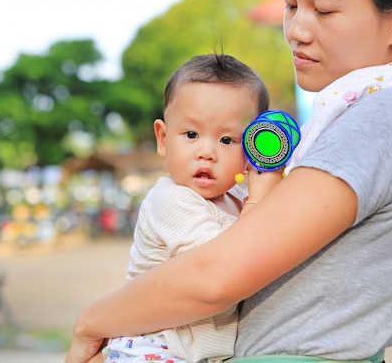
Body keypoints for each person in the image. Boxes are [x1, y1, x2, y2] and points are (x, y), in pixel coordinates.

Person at [66, 0, 392, 362]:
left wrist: (91, 322)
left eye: (322, 10)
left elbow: (214, 277)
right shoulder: (384, 111)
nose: (296, 30)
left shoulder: (387, 115)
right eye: (290, 5)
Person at [99, 53, 271, 363]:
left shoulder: (235, 195)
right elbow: (225, 269)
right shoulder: (172, 199)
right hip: (154, 347)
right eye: (191, 135)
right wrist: (258, 203)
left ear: (251, 150)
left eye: (227, 140)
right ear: (163, 138)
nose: (206, 152)